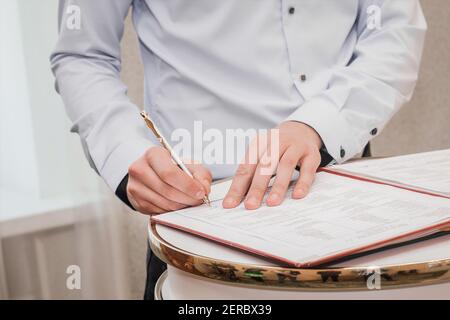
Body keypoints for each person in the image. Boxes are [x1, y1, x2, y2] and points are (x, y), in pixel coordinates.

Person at [51, 0, 427, 299]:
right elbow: (83, 55)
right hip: (200, 220)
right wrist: (124, 149)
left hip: (351, 207)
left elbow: (394, 30)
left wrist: (316, 125)